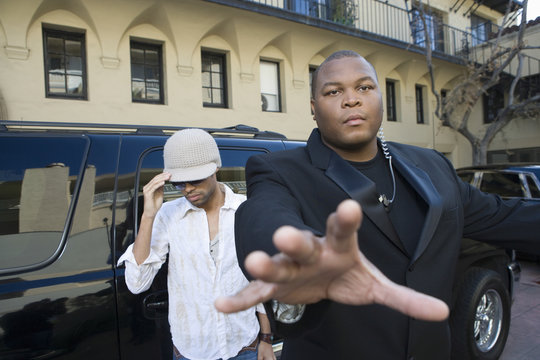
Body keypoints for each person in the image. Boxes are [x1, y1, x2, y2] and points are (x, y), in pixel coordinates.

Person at [214, 50, 540, 359]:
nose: (352, 98)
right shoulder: (279, 170)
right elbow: (264, 217)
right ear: (313, 107)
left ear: (380, 98)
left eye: (364, 87)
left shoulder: (432, 165)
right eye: (333, 92)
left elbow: (503, 216)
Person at [118, 129, 275, 360]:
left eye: (195, 179)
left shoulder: (245, 210)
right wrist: (149, 215)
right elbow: (137, 283)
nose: (188, 188)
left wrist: (266, 339)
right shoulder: (167, 216)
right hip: (192, 352)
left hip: (244, 346)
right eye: (179, 183)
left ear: (216, 168)